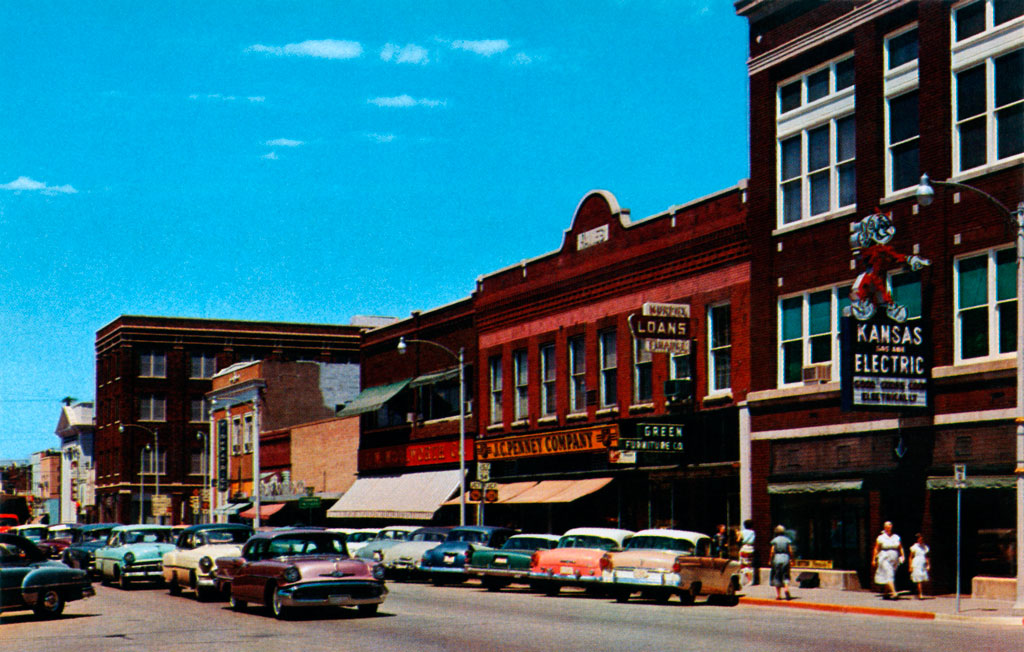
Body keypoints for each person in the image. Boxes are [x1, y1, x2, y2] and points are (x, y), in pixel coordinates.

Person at [872, 521, 904, 599]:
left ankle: (886, 593)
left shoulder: (896, 537)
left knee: (890, 573)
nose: (889, 528)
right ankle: (894, 593)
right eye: (887, 526)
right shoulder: (881, 537)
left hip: (894, 558)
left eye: (890, 526)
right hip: (884, 557)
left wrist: (902, 556)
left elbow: (900, 547)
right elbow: (876, 549)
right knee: (889, 573)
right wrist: (874, 559)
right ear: (884, 528)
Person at [769, 525, 793, 600]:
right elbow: (790, 551)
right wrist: (792, 559)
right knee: (786, 574)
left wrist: (770, 560)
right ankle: (786, 589)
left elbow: (772, 551)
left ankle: (778, 595)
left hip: (777, 558)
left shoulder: (774, 540)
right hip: (785, 557)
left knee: (777, 575)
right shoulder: (787, 540)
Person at [909, 533, 930, 599]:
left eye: (922, 539)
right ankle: (920, 594)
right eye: (920, 539)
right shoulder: (914, 547)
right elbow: (910, 557)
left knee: (922, 578)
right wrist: (910, 566)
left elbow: (926, 557)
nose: (921, 540)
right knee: (918, 579)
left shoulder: (925, 547)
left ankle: (918, 591)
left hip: (922, 563)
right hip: (916, 563)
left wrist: (928, 564)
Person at [737, 519, 756, 585]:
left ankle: (748, 580)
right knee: (749, 565)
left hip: (744, 548)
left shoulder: (742, 532)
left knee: (743, 564)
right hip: (751, 549)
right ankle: (751, 580)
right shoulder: (753, 532)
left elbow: (738, 540)